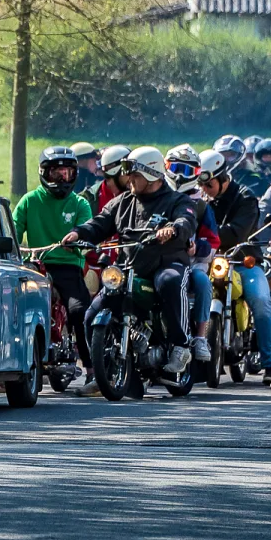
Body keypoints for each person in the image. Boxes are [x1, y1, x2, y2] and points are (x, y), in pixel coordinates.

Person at [62, 147, 198, 374]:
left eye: (134, 175)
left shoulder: (177, 200)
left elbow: (187, 220)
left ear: (151, 174)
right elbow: (100, 222)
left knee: (170, 281)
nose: (128, 179)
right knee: (91, 315)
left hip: (165, 263)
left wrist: (173, 229)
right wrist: (78, 233)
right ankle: (102, 373)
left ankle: (181, 346)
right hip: (129, 267)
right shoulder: (123, 202)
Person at [13, 146, 95, 392]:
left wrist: (78, 243)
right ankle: (11, 364)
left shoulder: (80, 204)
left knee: (79, 311)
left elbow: (87, 232)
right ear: (43, 173)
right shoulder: (29, 201)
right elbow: (13, 232)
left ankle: (92, 369)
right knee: (14, 309)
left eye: (68, 173)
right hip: (34, 266)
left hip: (67, 267)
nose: (62, 179)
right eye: (56, 173)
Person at [200, 150, 271, 384]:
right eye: (201, 185)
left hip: (243, 262)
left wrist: (203, 236)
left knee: (261, 300)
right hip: (210, 263)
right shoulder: (200, 201)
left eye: (208, 184)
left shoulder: (245, 198)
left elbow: (237, 233)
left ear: (222, 178)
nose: (204, 189)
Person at [165, 144, 218, 363]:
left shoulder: (201, 206)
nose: (180, 175)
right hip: (159, 260)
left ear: (196, 174)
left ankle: (200, 337)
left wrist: (197, 248)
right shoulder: (158, 196)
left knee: (203, 282)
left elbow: (213, 241)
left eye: (187, 170)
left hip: (192, 262)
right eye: (175, 168)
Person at [85, 144, 130, 213]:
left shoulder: (138, 196)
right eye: (127, 171)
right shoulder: (88, 199)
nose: (131, 176)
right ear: (114, 171)